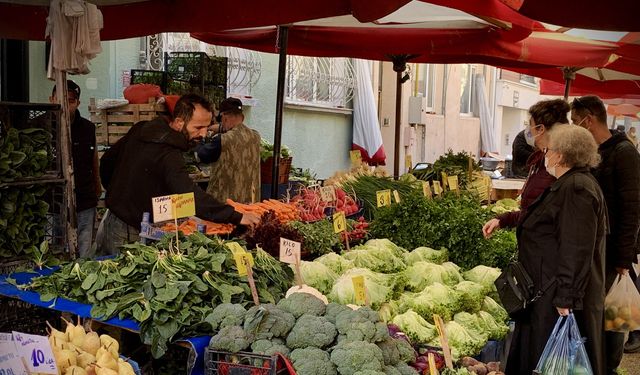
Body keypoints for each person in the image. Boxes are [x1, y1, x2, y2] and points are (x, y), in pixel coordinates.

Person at [96, 94, 260, 255]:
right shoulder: (168, 153)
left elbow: (107, 162)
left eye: (206, 127)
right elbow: (188, 193)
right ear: (179, 122)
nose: (203, 134)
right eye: (198, 128)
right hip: (131, 232)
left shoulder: (141, 128)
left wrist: (117, 196)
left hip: (116, 219)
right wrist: (236, 216)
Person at [505, 124, 607, 375]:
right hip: (547, 287)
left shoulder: (576, 188)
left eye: (549, 150)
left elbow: (576, 246)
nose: (546, 155)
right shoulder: (570, 183)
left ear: (561, 155)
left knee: (550, 361)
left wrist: (566, 297)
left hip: (554, 294)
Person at [571, 95, 640, 372]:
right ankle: (597, 363)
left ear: (589, 119)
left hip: (614, 254)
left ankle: (610, 366)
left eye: (576, 122)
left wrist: (624, 259)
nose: (575, 127)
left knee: (614, 318)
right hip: (596, 250)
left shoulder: (624, 152)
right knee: (598, 315)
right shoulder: (594, 153)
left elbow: (633, 209)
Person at [483, 99, 569, 237]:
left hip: (543, 252)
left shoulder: (559, 169)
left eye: (531, 126)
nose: (528, 131)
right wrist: (502, 220)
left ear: (541, 129)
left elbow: (548, 221)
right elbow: (532, 213)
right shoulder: (541, 160)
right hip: (533, 250)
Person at [50, 80, 101, 258]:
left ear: (77, 103)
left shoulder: (88, 128)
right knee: (55, 247)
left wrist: (97, 185)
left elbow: (94, 159)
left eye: (70, 101)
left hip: (84, 198)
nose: (65, 105)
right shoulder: (42, 126)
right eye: (60, 99)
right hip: (53, 202)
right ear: (51, 100)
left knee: (84, 247)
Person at [198, 97, 261, 204]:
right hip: (251, 202)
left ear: (224, 118)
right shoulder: (256, 136)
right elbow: (239, 136)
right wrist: (223, 129)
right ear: (243, 117)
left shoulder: (222, 140)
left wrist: (202, 135)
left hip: (225, 205)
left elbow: (202, 155)